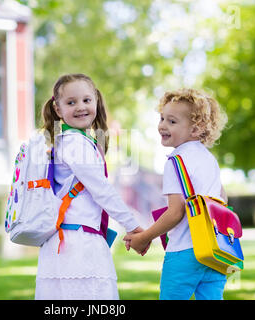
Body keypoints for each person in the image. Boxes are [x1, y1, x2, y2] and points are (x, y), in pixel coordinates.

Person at [35, 73, 143, 300]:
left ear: (96, 100)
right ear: (58, 109)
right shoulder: (74, 142)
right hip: (77, 246)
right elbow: (101, 190)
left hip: (70, 242)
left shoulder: (75, 140)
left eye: (86, 100)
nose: (80, 107)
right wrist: (133, 226)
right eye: (71, 102)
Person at [124, 88, 229, 300]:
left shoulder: (176, 161)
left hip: (185, 251)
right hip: (216, 251)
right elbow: (222, 201)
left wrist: (144, 238)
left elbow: (175, 212)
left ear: (196, 129)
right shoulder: (210, 160)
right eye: (162, 118)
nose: (162, 125)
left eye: (172, 121)